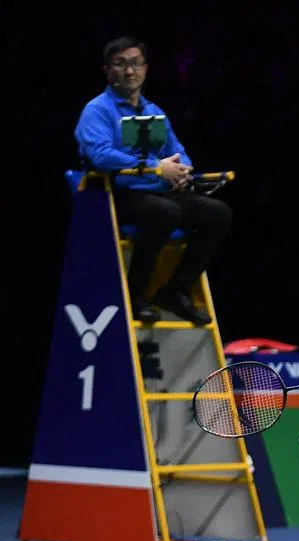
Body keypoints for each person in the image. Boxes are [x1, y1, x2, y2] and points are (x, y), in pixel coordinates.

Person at [74, 36, 231, 326]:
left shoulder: (153, 111)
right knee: (165, 212)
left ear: (145, 69)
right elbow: (101, 155)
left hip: (158, 193)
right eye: (120, 65)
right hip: (117, 194)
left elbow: (176, 150)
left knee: (217, 213)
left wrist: (182, 168)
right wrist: (154, 168)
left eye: (135, 64)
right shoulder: (97, 111)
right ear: (108, 71)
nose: (129, 71)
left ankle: (175, 291)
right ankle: (135, 296)